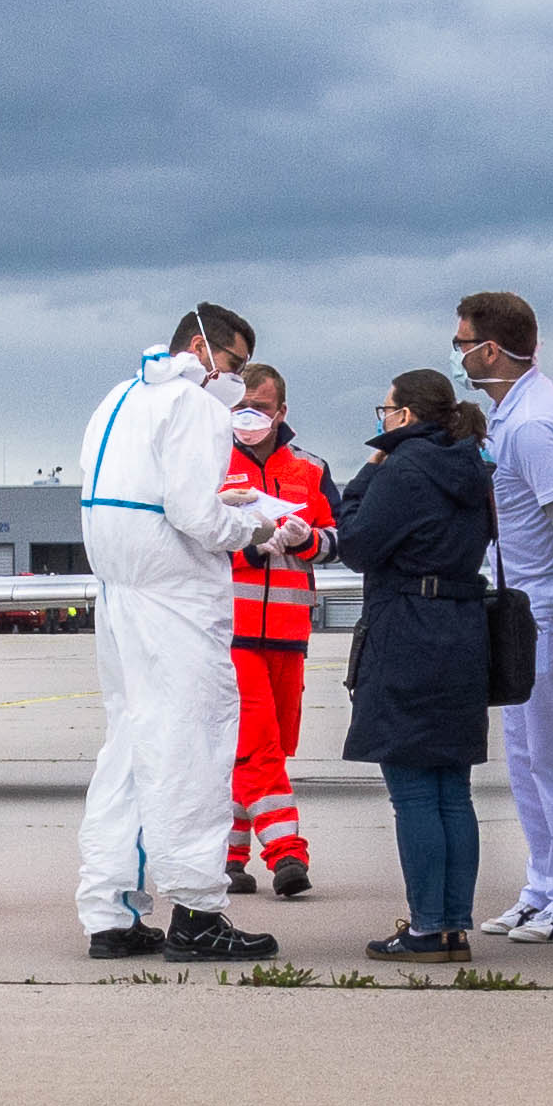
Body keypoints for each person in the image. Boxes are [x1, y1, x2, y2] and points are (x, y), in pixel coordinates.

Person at [71, 303, 305, 961]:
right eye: (231, 365)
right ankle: (197, 913)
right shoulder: (192, 405)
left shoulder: (117, 399)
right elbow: (196, 514)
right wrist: (260, 527)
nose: (234, 383)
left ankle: (110, 914)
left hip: (118, 594)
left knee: (126, 749)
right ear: (202, 349)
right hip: (174, 598)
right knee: (192, 745)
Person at [335, 367, 499, 960]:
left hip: (407, 631)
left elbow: (355, 543)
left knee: (412, 793)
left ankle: (428, 924)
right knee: (453, 792)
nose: (381, 421)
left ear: (404, 416)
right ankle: (453, 923)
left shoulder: (403, 468)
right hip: (461, 630)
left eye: (385, 411)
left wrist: (365, 475)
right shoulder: (471, 467)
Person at [461, 290, 553, 942]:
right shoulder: (509, 418)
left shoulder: (535, 424)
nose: (458, 356)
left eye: (462, 344)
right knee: (522, 759)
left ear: (490, 349)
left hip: (547, 612)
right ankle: (542, 886)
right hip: (518, 612)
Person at [219, 364, 337, 902]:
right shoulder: (210, 463)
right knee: (259, 745)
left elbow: (342, 541)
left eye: (261, 408)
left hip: (289, 633)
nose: (250, 418)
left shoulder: (310, 470)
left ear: (281, 412)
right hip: (232, 632)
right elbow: (191, 541)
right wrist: (248, 545)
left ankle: (229, 856)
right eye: (240, 406)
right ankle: (286, 851)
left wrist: (306, 538)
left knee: (272, 747)